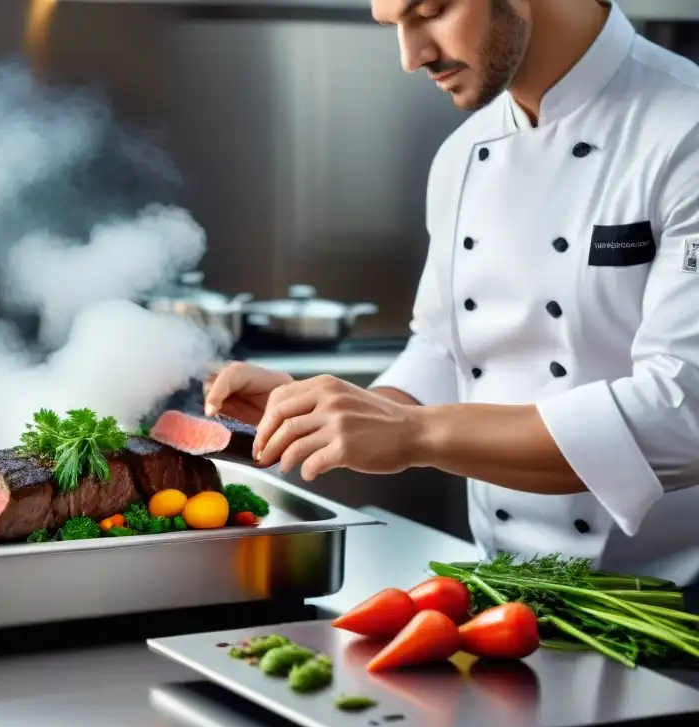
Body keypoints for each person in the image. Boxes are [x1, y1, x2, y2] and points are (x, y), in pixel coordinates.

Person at [203, 0, 699, 585]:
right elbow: (442, 349)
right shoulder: (462, 155)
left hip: (671, 609)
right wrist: (331, 415)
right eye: (394, 26)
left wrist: (413, 435)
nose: (412, 57)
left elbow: (681, 414)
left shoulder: (684, 131)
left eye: (431, 12)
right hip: (512, 593)